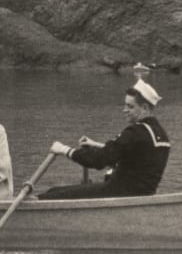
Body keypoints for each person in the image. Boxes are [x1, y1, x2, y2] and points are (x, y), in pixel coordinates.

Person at [39, 79, 169, 200]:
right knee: (55, 190)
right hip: (142, 194)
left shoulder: (134, 132)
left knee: (51, 194)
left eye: (130, 107)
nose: (124, 110)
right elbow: (134, 156)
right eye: (125, 105)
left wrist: (64, 149)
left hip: (118, 193)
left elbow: (99, 161)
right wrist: (94, 144)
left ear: (145, 108)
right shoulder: (160, 134)